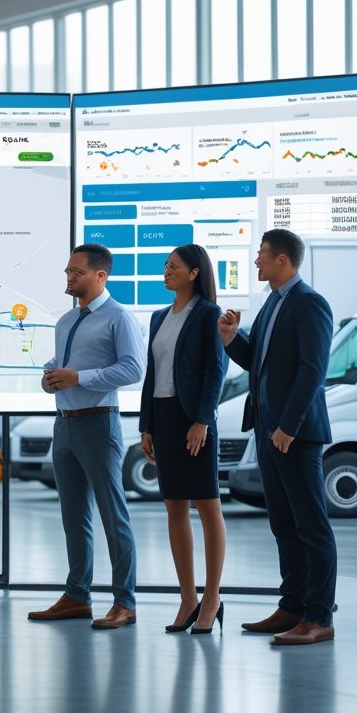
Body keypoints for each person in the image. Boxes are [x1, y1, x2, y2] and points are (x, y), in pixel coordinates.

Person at [218, 229, 336, 646]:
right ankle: (292, 607)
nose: (256, 262)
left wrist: (289, 426)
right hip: (267, 431)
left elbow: (312, 372)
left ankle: (319, 617)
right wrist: (234, 340)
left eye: (261, 256)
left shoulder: (310, 304)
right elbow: (259, 364)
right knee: (284, 524)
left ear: (283, 260)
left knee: (311, 526)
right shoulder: (271, 305)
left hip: (295, 434)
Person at [28, 244, 144, 630]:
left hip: (99, 423)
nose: (69, 277)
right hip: (65, 424)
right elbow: (64, 363)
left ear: (100, 276)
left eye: (76, 272)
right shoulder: (65, 321)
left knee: (113, 516)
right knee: (73, 516)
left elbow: (133, 369)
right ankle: (77, 595)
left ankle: (124, 602)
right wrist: (52, 375)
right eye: (67, 271)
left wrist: (80, 378)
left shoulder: (119, 318)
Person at [138, 245, 228, 635]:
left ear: (194, 273)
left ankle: (212, 597)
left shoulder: (209, 314)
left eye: (173, 267)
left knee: (207, 506)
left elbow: (215, 371)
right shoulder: (159, 317)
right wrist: (146, 425)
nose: (166, 271)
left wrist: (202, 420)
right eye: (165, 266)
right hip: (163, 417)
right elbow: (151, 374)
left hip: (194, 420)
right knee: (174, 507)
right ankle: (188, 597)